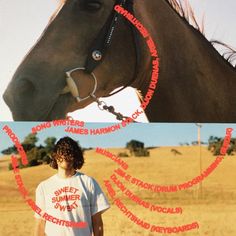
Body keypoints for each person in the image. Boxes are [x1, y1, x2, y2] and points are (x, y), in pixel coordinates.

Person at [34, 136, 110, 236]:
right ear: (55, 156)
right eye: (63, 152)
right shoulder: (43, 187)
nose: (66, 155)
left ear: (76, 157)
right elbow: (40, 224)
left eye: (70, 152)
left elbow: (97, 223)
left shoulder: (89, 183)